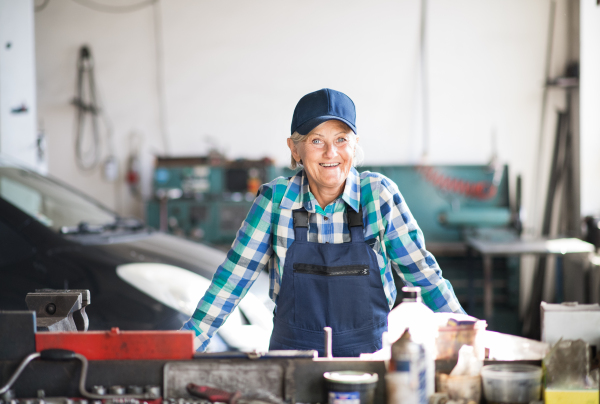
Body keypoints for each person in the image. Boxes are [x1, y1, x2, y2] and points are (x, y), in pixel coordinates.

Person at [182, 88, 464, 357]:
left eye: (341, 139)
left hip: (371, 360)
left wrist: (467, 341)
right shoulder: (275, 200)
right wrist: (187, 342)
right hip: (292, 360)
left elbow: (425, 278)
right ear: (295, 150)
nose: (331, 153)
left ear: (355, 144)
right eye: (316, 141)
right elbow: (232, 280)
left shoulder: (378, 196)